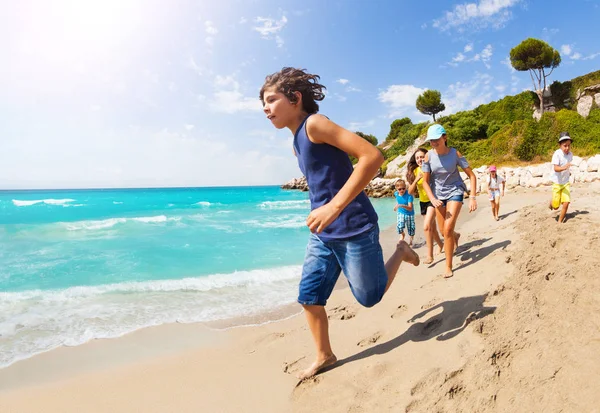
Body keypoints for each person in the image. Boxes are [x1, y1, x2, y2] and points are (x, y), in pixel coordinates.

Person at [260, 67, 420, 380]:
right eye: (262, 104)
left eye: (270, 100)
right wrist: (322, 212)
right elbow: (324, 181)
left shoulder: (315, 124)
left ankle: (401, 252)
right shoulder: (296, 142)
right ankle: (325, 355)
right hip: (323, 234)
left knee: (368, 298)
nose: (265, 108)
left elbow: (371, 156)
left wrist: (334, 207)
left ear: (295, 98)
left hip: (355, 227)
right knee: (309, 298)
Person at [421, 124, 478, 279]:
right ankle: (455, 236)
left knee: (446, 230)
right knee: (443, 230)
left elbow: (472, 176)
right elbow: (425, 182)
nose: (433, 143)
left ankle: (448, 266)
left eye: (436, 139)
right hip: (438, 196)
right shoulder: (428, 157)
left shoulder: (455, 154)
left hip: (455, 191)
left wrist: (472, 197)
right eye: (431, 141)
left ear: (444, 137)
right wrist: (432, 198)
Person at [407, 148, 444, 263]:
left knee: (426, 226)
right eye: (417, 158)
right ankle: (444, 242)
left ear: (426, 156)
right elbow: (410, 191)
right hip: (423, 202)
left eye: (422, 157)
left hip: (433, 200)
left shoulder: (432, 167)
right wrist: (416, 178)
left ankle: (429, 255)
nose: (420, 159)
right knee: (432, 230)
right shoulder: (415, 171)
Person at [550, 132, 573, 223]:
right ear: (560, 145)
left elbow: (568, 165)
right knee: (555, 207)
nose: (567, 148)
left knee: (566, 202)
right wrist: (564, 168)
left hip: (565, 182)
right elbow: (556, 168)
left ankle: (560, 221)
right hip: (557, 182)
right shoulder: (557, 154)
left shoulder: (570, 154)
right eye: (565, 146)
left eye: (568, 145)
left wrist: (569, 172)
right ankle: (551, 202)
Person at [393, 179, 415, 246]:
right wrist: (396, 206)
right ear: (396, 189)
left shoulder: (409, 195)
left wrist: (401, 205)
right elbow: (399, 200)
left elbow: (410, 208)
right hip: (401, 213)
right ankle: (403, 235)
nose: (402, 190)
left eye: (403, 188)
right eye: (399, 189)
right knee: (399, 227)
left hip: (409, 214)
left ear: (405, 187)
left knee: (411, 229)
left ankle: (411, 241)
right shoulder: (396, 194)